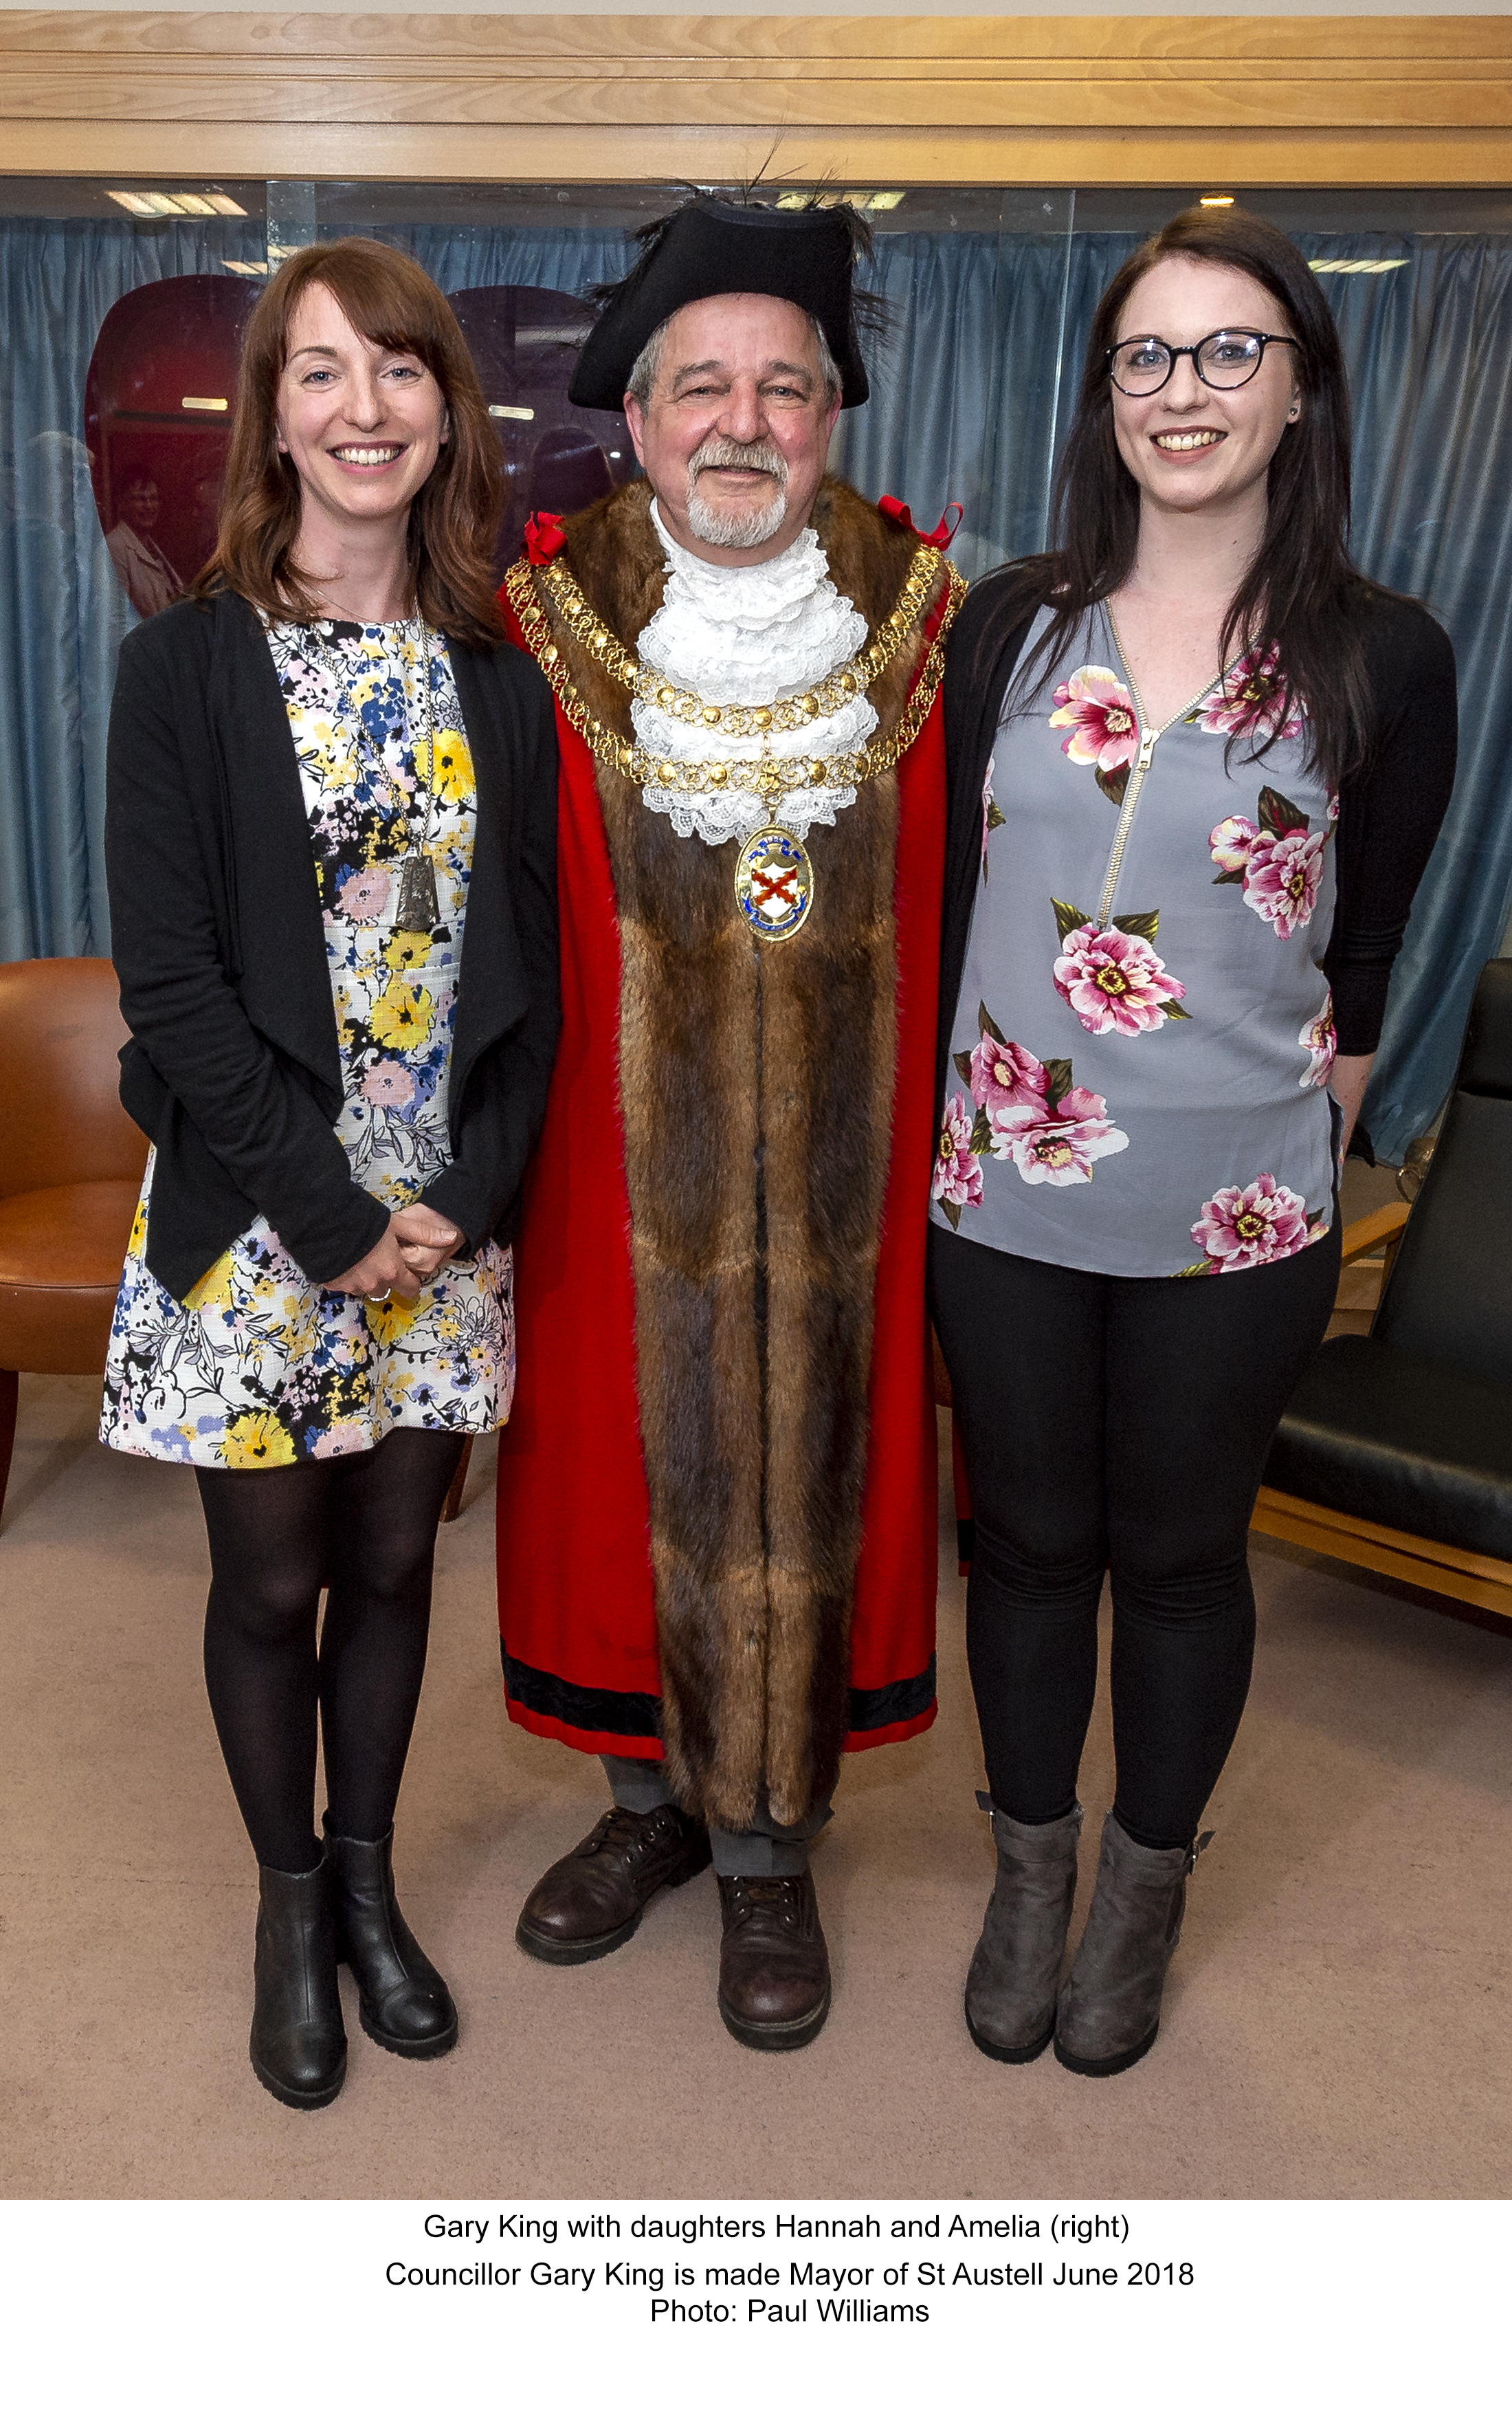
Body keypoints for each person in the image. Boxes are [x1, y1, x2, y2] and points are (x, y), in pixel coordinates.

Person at [933, 208, 1456, 2076]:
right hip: (999, 1189)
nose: (1186, 391)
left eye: (1233, 351)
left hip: (1236, 1208)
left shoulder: (1386, 651)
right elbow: (947, 901)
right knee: (1025, 1548)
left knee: (1177, 1559)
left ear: (1302, 387)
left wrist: (1335, 1089)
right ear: (1105, 392)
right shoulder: (1011, 622)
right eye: (1149, 354)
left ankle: (1137, 1904)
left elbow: (1379, 929)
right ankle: (1025, 1880)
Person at [496, 195, 964, 2049]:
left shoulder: (934, 630)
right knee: (613, 1490)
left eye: (786, 385)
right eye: (704, 386)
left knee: (820, 1475)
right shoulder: (535, 628)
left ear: (834, 418)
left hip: (855, 1184)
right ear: (639, 418)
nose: (744, 421)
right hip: (602, 1186)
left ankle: (771, 1847)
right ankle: (642, 1817)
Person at [100, 237, 560, 2109]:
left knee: (393, 1565)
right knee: (269, 1580)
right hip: (263, 1216)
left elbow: (532, 986)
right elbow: (176, 988)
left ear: (445, 411)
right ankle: (291, 1906)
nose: (361, 408)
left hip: (444, 1219)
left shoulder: (502, 683)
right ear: (269, 421)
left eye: (397, 371)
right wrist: (338, 1213)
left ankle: (370, 1884)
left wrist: (464, 1196)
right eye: (318, 373)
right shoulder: (182, 667)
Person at [105, 465, 184, 617]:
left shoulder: (152, 548)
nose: (149, 506)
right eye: (140, 499)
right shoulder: (114, 548)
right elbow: (116, 617)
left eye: (153, 498)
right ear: (121, 503)